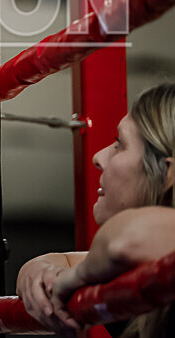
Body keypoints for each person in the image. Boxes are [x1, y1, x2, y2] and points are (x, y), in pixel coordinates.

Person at [16, 83, 175, 337]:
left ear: (166, 174)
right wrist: (39, 271)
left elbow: (124, 240)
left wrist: (73, 279)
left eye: (119, 144)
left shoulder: (131, 247)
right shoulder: (135, 264)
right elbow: (67, 259)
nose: (98, 157)